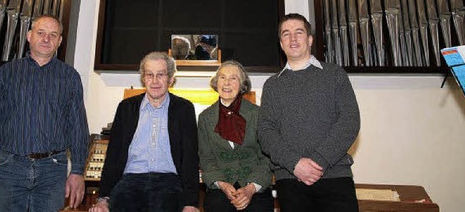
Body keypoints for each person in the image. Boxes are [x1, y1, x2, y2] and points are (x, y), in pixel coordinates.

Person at [0, 14, 90, 212]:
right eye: (41, 33)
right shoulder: (7, 73)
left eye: (53, 35)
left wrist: (78, 171)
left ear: (60, 41)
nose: (46, 39)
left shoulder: (70, 77)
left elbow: (78, 126)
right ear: (29, 36)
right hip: (9, 167)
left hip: (53, 170)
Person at [258, 13, 361, 212]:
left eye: (299, 32)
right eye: (286, 34)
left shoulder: (334, 74)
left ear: (310, 39)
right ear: (281, 43)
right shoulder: (272, 85)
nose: (293, 38)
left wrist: (318, 162)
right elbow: (265, 132)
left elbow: (349, 121)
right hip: (290, 179)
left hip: (335, 175)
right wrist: (295, 164)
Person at [89, 52, 199, 212]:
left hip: (169, 183)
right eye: (150, 75)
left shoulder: (184, 109)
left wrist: (191, 203)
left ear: (171, 78)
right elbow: (113, 155)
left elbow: (190, 158)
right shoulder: (126, 108)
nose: (155, 81)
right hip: (130, 181)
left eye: (160, 75)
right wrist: (103, 199)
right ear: (143, 78)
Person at [198, 61, 273, 212]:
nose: (226, 83)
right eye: (222, 77)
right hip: (221, 188)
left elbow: (267, 156)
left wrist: (251, 188)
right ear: (216, 82)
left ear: (242, 84)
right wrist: (223, 185)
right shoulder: (205, 117)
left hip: (255, 187)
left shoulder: (258, 114)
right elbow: (206, 159)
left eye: (233, 78)